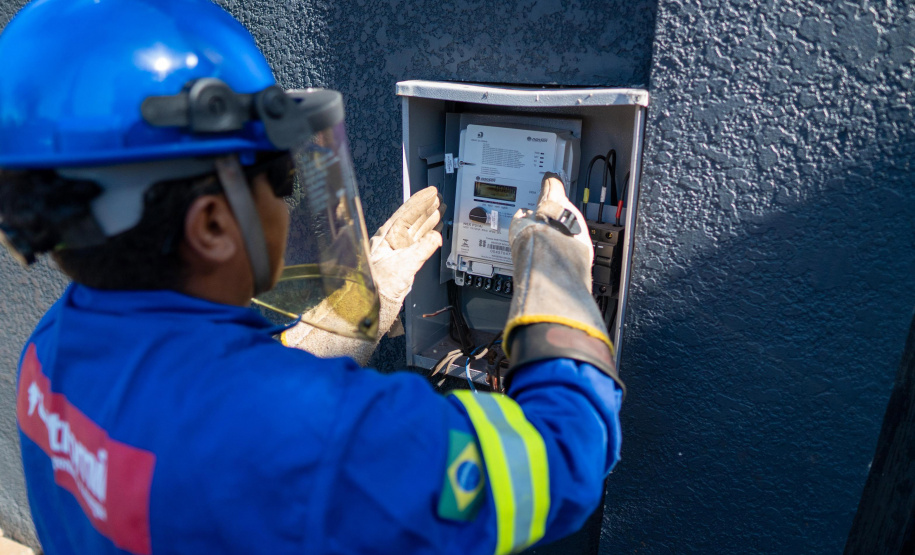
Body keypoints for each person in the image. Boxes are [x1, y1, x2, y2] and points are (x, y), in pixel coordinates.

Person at [0, 0, 625, 554]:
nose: (292, 202)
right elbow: (564, 458)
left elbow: (188, 426)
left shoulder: (47, 355)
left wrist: (353, 311)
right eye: (283, 179)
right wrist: (556, 282)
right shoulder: (302, 438)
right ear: (214, 223)